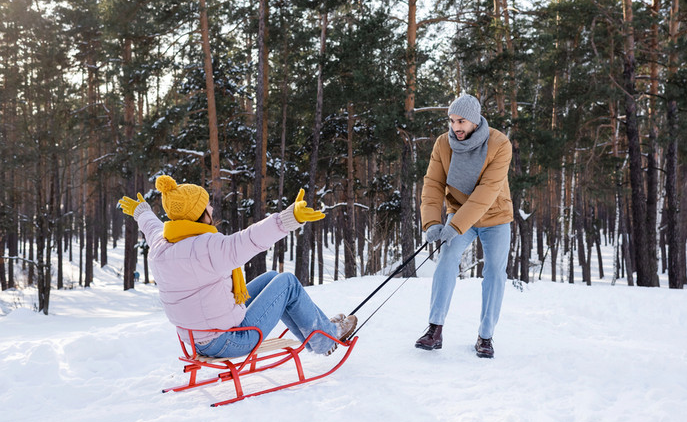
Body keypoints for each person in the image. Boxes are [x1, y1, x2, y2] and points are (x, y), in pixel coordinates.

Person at [119, 175, 357, 358]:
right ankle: (326, 339)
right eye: (207, 206)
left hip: (197, 340)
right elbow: (250, 238)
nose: (212, 209)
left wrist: (142, 212)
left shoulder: (162, 244)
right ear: (198, 215)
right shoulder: (208, 248)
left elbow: (151, 226)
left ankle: (318, 332)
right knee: (287, 283)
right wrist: (288, 218)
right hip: (228, 341)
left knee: (272, 277)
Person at [416, 94, 513, 358]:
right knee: (447, 259)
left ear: (475, 120)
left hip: (495, 216)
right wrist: (432, 223)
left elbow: (486, 191)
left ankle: (486, 336)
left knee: (495, 271)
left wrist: (455, 226)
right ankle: (434, 329)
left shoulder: (499, 143)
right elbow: (433, 184)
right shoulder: (443, 144)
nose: (456, 126)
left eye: (462, 121)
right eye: (452, 120)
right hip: (458, 212)